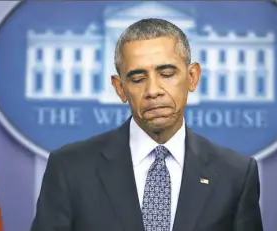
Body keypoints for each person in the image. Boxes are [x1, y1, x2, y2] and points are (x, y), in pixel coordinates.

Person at [30, 18, 264, 231]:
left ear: (192, 77)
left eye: (167, 74)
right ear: (120, 88)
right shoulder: (70, 168)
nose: (153, 91)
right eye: (138, 79)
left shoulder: (235, 174)